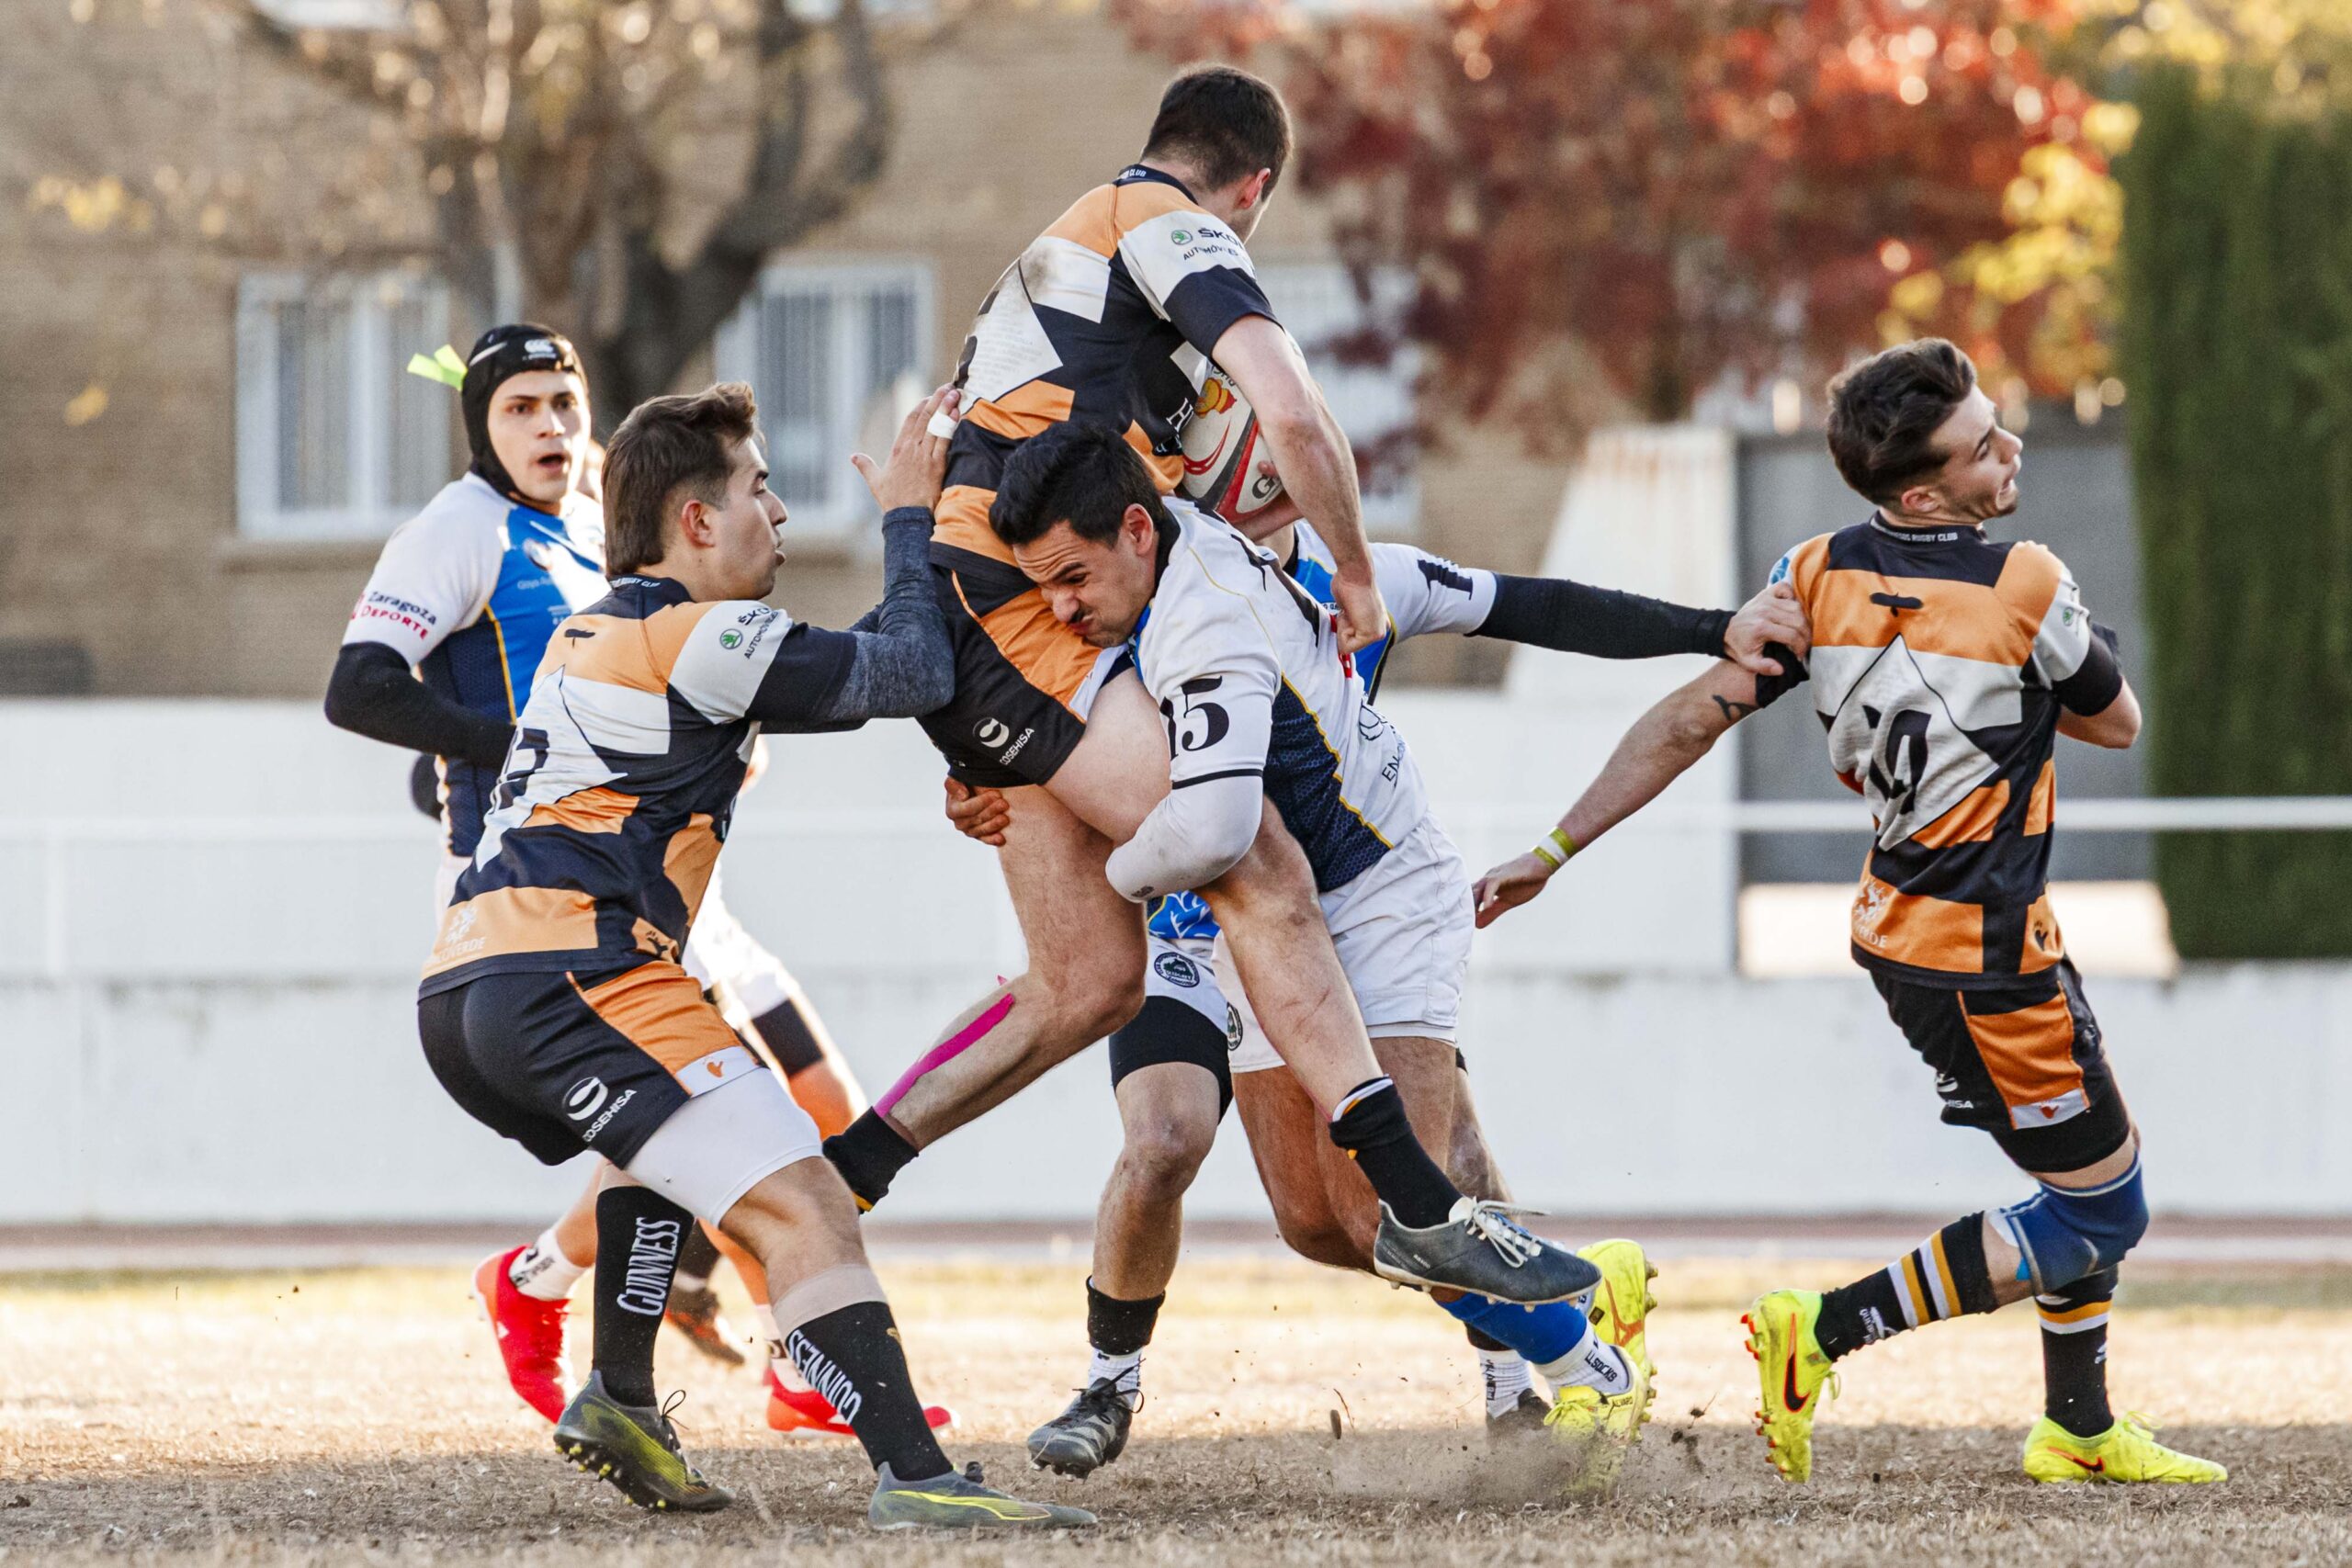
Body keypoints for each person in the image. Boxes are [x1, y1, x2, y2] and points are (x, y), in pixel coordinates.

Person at [816, 65, 1582, 1308]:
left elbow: (1197, 502)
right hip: (1013, 616)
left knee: (1085, 982)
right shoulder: (1160, 223)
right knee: (1251, 851)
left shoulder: (1095, 332)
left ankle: (840, 1171)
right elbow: (1293, 408)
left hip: (991, 627)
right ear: (1254, 190)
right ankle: (1430, 1205)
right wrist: (1356, 573)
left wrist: (986, 753)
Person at [1472, 338, 2227, 1488]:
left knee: (2074, 1182)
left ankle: (2077, 1428)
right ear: (1924, 493)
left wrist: (1554, 849)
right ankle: (1819, 1332)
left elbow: (1688, 720)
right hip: (1982, 955)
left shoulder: (1810, 572)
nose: (2008, 448)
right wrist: (2038, 657)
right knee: (2101, 1213)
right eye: (1984, 446)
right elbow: (2112, 719)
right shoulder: (2023, 579)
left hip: (1901, 929)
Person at [942, 515, 1804, 1470]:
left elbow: (1532, 605)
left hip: (1333, 908)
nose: (1265, 473)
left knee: (1391, 1201)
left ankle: (1537, 1372)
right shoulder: (1097, 592)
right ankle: (1109, 1384)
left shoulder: (1351, 575)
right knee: (1230, 1177)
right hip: (1179, 927)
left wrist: (1713, 628)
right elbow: (1017, 711)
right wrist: (976, 782)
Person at [413, 379, 1090, 1529]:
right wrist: (912, 515)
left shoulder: (604, 628)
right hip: (578, 969)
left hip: (468, 984)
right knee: (807, 1202)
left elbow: (865, 662)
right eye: (758, 489)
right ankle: (916, 1476)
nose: (776, 513)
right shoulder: (701, 632)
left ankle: (621, 1396)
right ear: (693, 523)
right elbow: (913, 671)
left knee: (665, 1141)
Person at [324, 326, 925, 1439]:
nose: (551, 427)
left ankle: (552, 1284)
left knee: (799, 1105)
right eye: (520, 408)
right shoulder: (455, 531)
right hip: (558, 893)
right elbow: (358, 688)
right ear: (480, 425)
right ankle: (790, 1354)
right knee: (761, 1120)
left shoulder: (598, 533)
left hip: (664, 873)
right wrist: (510, 748)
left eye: (566, 402)